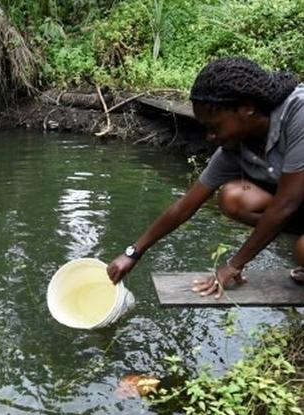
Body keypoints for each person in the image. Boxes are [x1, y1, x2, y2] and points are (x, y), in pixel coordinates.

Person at [106, 57, 304, 299]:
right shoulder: (235, 147)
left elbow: (286, 205)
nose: (210, 136)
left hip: (293, 202)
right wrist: (133, 253)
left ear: (247, 108)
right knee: (233, 198)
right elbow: (184, 206)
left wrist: (234, 265)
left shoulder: (298, 114)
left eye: (215, 126)